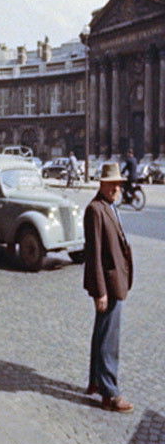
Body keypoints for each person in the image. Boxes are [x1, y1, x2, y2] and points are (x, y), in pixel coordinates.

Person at [82, 162, 135, 413]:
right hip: (108, 285)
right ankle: (109, 393)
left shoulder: (110, 206)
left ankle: (95, 381)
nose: (116, 188)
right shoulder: (95, 210)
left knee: (102, 333)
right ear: (102, 184)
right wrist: (100, 291)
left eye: (119, 184)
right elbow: (93, 255)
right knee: (109, 340)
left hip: (116, 281)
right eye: (112, 184)